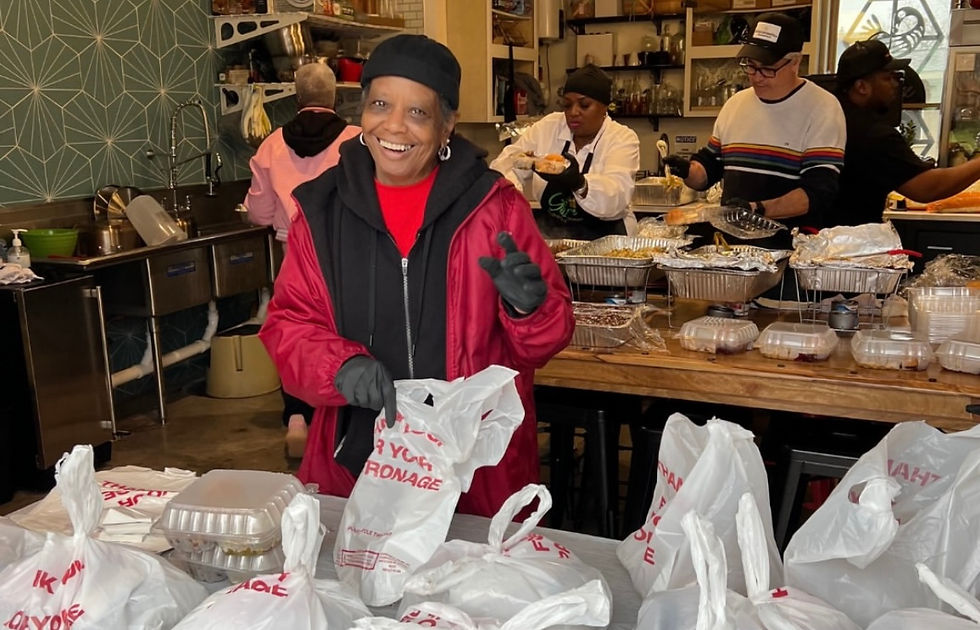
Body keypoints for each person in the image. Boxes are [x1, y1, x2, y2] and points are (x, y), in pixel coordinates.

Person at [258, 34, 575, 517]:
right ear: (361, 112)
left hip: (475, 474)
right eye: (381, 104)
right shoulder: (321, 212)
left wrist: (529, 309)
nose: (395, 126)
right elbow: (288, 326)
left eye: (418, 113)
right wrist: (337, 366)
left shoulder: (494, 208)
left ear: (447, 125)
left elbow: (544, 343)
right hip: (355, 463)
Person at [244, 63, 362, 458]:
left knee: (295, 337)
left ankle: (297, 419)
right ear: (335, 97)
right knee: (342, 336)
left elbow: (259, 213)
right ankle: (340, 425)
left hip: (291, 253)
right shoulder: (356, 140)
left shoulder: (272, 145)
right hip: (345, 255)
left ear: (297, 99)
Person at [665, 12, 846, 243]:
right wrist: (687, 170)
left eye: (767, 69)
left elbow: (817, 193)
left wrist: (757, 209)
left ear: (795, 62)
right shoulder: (736, 104)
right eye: (751, 67)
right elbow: (709, 170)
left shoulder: (822, 108)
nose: (757, 77)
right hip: (731, 248)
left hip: (792, 249)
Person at [831, 39, 980, 226]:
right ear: (862, 87)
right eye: (888, 77)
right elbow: (927, 188)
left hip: (811, 236)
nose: (896, 84)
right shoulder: (873, 134)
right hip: (848, 243)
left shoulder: (828, 115)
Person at [489, 64, 641, 238]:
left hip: (609, 241)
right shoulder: (548, 127)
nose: (573, 112)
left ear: (605, 107)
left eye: (584, 105)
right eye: (567, 105)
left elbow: (617, 196)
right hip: (556, 238)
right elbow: (508, 163)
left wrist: (579, 183)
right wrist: (510, 195)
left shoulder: (621, 138)